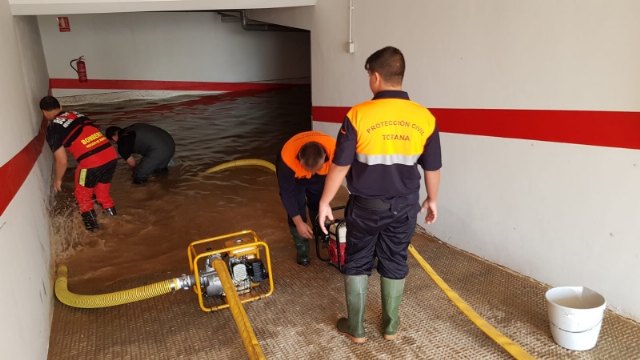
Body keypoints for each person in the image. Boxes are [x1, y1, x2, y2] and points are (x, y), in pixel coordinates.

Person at [318, 46, 442, 343]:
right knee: (395, 259)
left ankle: (357, 328)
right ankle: (390, 326)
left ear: (375, 77)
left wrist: (324, 202)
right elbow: (433, 167)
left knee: (358, 260)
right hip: (404, 206)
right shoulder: (424, 117)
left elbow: (339, 165)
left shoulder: (358, 114)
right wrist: (432, 199)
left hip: (365, 207)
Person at [40, 96, 119, 231]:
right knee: (102, 195)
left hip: (90, 163)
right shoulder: (76, 113)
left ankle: (95, 233)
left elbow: (62, 161)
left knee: (82, 198)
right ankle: (116, 222)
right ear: (60, 107)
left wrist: (57, 180)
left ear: (44, 112)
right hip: (111, 156)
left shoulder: (53, 129)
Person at [276, 131, 336, 266]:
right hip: (296, 179)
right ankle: (302, 249)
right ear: (299, 159)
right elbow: (286, 193)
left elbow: (341, 175)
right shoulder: (286, 160)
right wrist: (298, 222)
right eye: (308, 170)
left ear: (325, 157)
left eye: (315, 170)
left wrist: (326, 202)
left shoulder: (336, 151)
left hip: (320, 178)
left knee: (318, 202)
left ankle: (322, 234)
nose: (311, 174)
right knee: (296, 206)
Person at [105, 124, 175, 184]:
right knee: (159, 171)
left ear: (113, 138)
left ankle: (146, 196)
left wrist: (136, 172)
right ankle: (166, 184)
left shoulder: (122, 144)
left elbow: (133, 164)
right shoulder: (133, 126)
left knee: (139, 176)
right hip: (170, 143)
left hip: (158, 150)